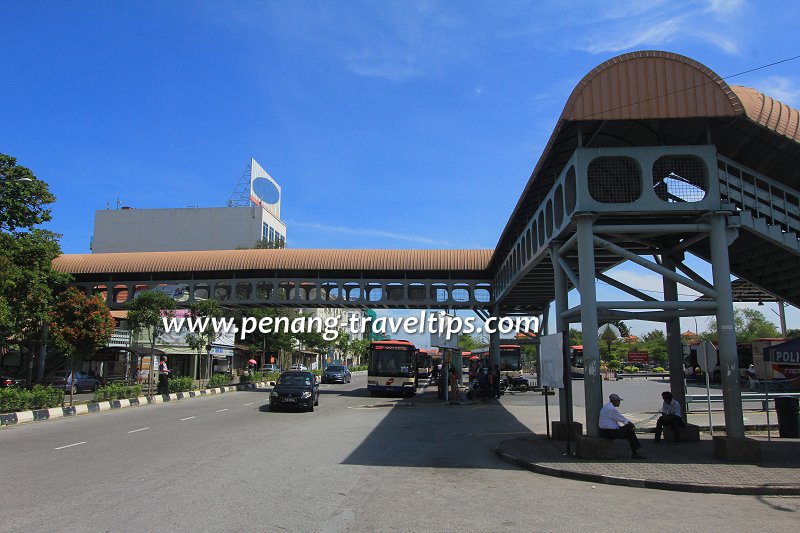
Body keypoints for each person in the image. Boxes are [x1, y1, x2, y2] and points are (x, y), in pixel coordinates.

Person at [599, 393, 644, 458]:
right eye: (618, 401)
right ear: (614, 401)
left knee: (630, 432)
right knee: (630, 430)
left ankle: (636, 452)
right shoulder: (611, 409)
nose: (619, 402)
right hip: (609, 432)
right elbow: (621, 418)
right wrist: (630, 423)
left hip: (606, 431)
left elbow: (617, 421)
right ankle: (636, 452)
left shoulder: (606, 407)